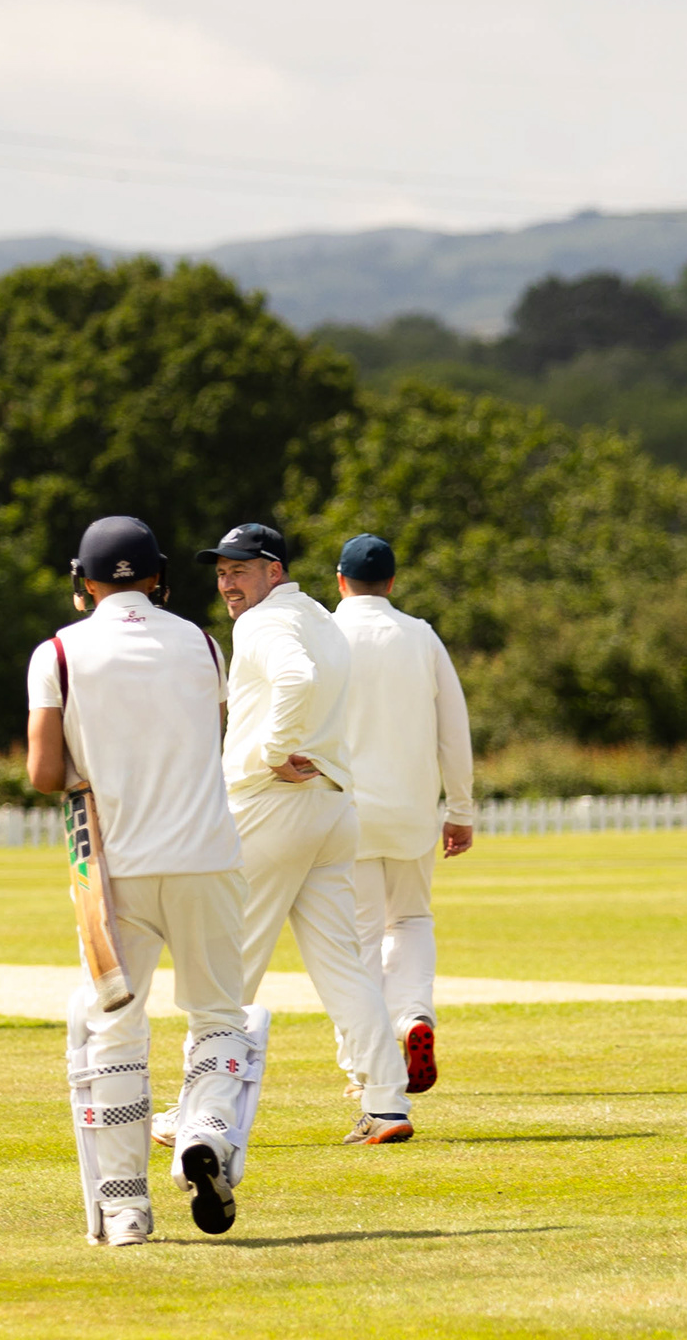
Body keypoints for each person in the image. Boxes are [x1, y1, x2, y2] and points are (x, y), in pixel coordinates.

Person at [27, 514, 254, 1243]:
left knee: (116, 1032)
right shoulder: (201, 642)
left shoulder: (57, 652)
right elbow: (210, 734)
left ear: (81, 582)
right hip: (207, 857)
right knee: (221, 1016)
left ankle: (126, 1209)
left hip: (116, 868)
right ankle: (209, 1136)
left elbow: (43, 774)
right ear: (159, 576)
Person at [203, 523, 416, 1146]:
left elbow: (293, 678)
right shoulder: (322, 616)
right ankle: (385, 1103)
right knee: (343, 965)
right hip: (330, 808)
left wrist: (272, 750)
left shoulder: (263, 623)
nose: (228, 584)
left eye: (240, 571)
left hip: (273, 802)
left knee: (228, 964)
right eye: (220, 573)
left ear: (275, 570)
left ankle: (197, 1109)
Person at [329, 531, 475, 1094]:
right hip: (413, 812)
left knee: (358, 938)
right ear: (391, 583)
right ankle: (414, 1017)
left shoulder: (325, 633)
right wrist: (459, 808)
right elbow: (453, 729)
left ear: (340, 581)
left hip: (347, 813)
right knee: (411, 922)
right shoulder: (420, 636)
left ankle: (365, 1067)